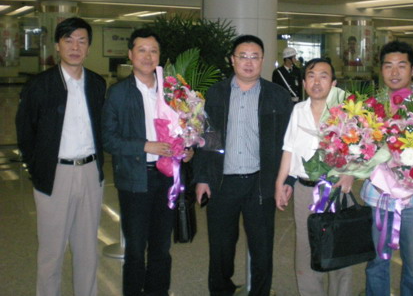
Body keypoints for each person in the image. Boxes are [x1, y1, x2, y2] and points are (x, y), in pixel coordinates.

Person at [194, 35, 293, 296]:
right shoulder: (216, 93)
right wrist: (202, 177)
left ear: (263, 60)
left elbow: (289, 143)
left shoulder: (278, 96)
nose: (248, 62)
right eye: (243, 56)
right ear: (232, 60)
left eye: (254, 57)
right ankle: (221, 290)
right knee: (221, 248)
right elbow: (208, 138)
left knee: (262, 248)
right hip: (222, 182)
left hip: (260, 183)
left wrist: (287, 181)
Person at [16, 17, 106, 296]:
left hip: (90, 172)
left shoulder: (97, 84)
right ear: (57, 45)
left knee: (87, 250)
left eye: (81, 41)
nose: (75, 47)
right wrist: (38, 169)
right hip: (54, 174)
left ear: (88, 47)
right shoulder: (39, 86)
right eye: (69, 40)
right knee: (51, 253)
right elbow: (25, 132)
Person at [102, 28, 193, 296]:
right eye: (141, 50)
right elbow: (108, 139)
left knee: (161, 248)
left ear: (159, 56)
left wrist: (187, 149)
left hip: (167, 177)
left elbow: (185, 129)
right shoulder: (118, 93)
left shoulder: (173, 92)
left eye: (153, 51)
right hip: (135, 179)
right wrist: (144, 146)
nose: (148, 56)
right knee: (135, 249)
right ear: (130, 55)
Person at [275, 58, 354, 296]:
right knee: (306, 249)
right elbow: (289, 148)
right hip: (305, 191)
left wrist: (349, 173)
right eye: (311, 76)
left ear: (334, 83)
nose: (316, 82)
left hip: (337, 189)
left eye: (323, 76)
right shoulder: (298, 110)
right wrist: (280, 183)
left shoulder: (346, 113)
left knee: (339, 248)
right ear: (303, 83)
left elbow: (361, 149)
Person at [361, 40, 413, 296]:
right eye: (388, 65)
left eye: (401, 65)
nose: (394, 72)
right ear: (381, 69)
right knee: (376, 263)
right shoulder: (370, 107)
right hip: (377, 197)